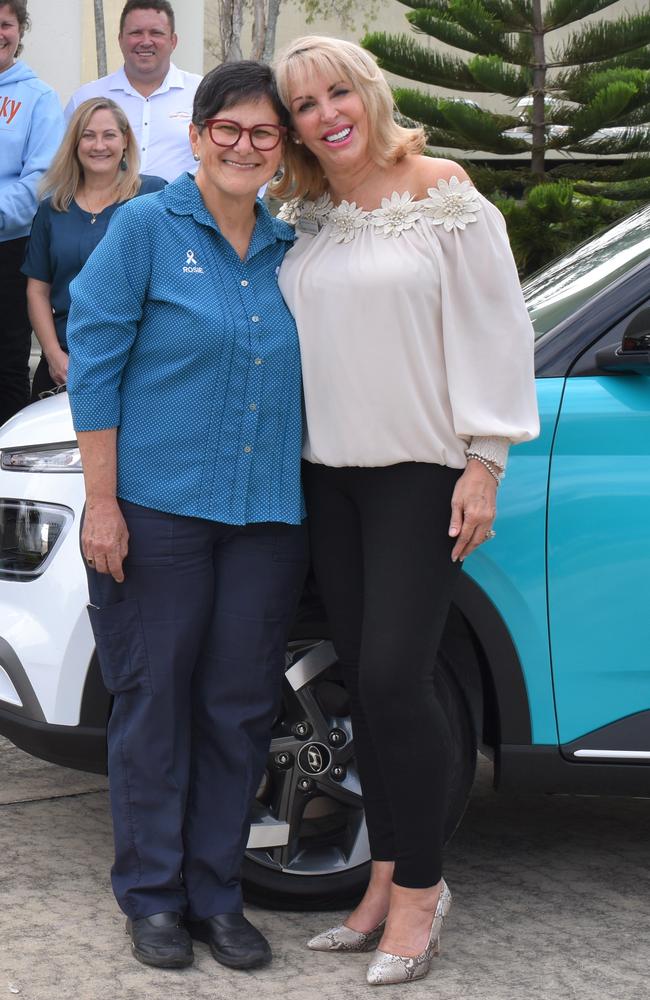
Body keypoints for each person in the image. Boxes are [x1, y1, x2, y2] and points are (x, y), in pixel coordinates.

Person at [273, 36, 539, 987]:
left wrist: (485, 462)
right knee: (368, 689)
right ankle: (383, 878)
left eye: (336, 92)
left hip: (421, 474)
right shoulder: (304, 212)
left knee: (393, 681)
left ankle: (423, 892)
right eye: (302, 106)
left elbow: (495, 326)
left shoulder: (442, 190)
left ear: (369, 93)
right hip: (326, 478)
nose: (323, 115)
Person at [66, 61, 306, 973]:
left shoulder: (291, 246)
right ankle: (154, 897)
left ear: (279, 150)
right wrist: (102, 503)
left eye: (264, 133)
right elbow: (93, 364)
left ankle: (217, 894)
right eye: (229, 129)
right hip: (157, 511)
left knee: (239, 712)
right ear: (199, 134)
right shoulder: (146, 227)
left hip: (267, 520)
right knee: (154, 707)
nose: (245, 146)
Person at [22, 98, 165, 399]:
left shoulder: (154, 196)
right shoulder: (52, 209)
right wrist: (53, 355)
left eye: (109, 135)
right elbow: (37, 290)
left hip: (137, 364)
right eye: (88, 135)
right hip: (65, 365)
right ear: (75, 143)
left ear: (125, 141)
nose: (99, 145)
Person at [0, 0, 63, 424]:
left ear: (20, 30)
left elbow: (41, 179)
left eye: (5, 24)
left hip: (9, 250)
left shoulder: (38, 97)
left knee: (6, 366)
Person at [64, 0, 201, 182]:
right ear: (120, 40)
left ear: (173, 41)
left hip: (181, 208)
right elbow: (64, 165)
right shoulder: (86, 97)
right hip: (103, 210)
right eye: (136, 33)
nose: (145, 42)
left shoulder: (202, 93)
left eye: (156, 33)